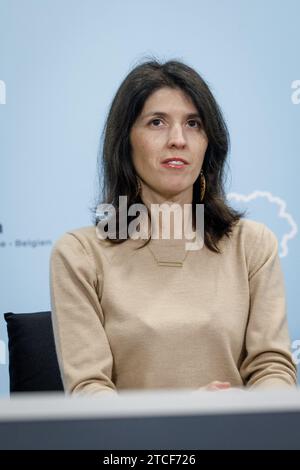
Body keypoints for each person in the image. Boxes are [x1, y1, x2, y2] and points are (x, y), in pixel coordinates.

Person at [50, 59, 297, 396]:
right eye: (157, 122)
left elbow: (273, 368)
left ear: (210, 142)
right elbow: (89, 390)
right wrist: (177, 419)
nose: (178, 139)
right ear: (126, 141)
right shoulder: (80, 254)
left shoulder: (252, 245)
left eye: (194, 123)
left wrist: (243, 411)